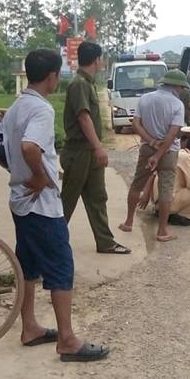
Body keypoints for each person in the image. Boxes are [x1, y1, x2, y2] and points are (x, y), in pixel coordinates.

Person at [1, 48, 109, 362]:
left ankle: (30, 327)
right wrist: (38, 175)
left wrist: (20, 173)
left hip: (20, 200)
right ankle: (67, 339)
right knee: (62, 267)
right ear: (51, 76)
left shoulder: (16, 106)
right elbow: (29, 146)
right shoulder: (42, 110)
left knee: (28, 266)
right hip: (40, 204)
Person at [60, 42, 130, 254]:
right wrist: (99, 147)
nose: (102, 62)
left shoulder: (87, 83)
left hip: (89, 153)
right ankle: (51, 245)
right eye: (101, 58)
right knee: (67, 202)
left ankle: (105, 241)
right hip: (79, 152)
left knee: (98, 197)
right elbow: (83, 117)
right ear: (96, 59)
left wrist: (96, 149)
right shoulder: (80, 84)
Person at [118, 69, 187, 242]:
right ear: (177, 86)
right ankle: (162, 231)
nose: (181, 90)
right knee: (165, 190)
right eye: (181, 87)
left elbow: (135, 123)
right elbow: (173, 134)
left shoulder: (145, 98)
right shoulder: (177, 104)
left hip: (147, 148)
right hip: (169, 152)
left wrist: (150, 141)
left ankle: (128, 222)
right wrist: (159, 153)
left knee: (137, 184)